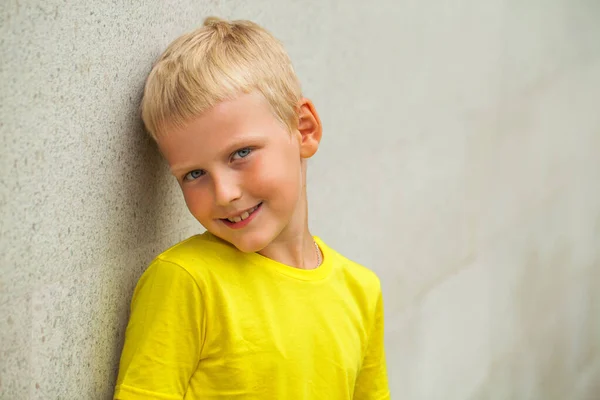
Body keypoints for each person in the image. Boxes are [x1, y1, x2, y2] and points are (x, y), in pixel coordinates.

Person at [114, 16, 390, 400]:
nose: (224, 193)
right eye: (193, 174)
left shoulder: (361, 291)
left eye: (240, 153)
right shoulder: (187, 282)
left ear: (304, 130)